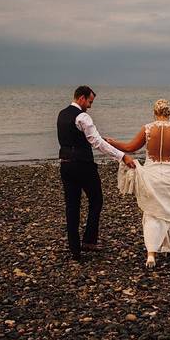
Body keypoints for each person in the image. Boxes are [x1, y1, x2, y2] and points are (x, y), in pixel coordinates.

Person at [107, 98, 170, 268]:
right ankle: (167, 247)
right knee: (168, 210)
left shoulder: (147, 129)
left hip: (151, 174)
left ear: (154, 113)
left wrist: (112, 142)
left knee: (152, 212)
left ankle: (151, 254)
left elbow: (130, 147)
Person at [57, 86, 136, 262]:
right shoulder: (83, 116)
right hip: (83, 166)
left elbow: (69, 139)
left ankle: (75, 249)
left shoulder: (61, 114)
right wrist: (122, 156)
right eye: (90, 102)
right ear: (82, 98)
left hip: (65, 165)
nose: (90, 106)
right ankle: (89, 241)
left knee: (72, 206)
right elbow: (96, 142)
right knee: (96, 200)